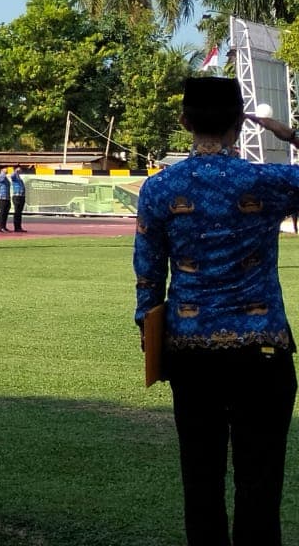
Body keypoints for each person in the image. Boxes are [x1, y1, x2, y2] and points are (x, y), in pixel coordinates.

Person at [135, 78, 299, 546]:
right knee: (260, 483)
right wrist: (287, 135)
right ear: (238, 122)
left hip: (190, 349)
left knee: (201, 480)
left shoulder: (159, 188)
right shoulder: (266, 182)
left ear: (185, 122)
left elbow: (148, 275)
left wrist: (150, 333)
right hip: (261, 347)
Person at [11, 166, 27, 232]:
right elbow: (12, 176)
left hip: (21, 196)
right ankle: (16, 227)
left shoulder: (19, 177)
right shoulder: (15, 176)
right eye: (19, 168)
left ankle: (19, 227)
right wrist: (15, 171)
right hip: (17, 196)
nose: (20, 170)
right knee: (17, 212)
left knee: (19, 212)